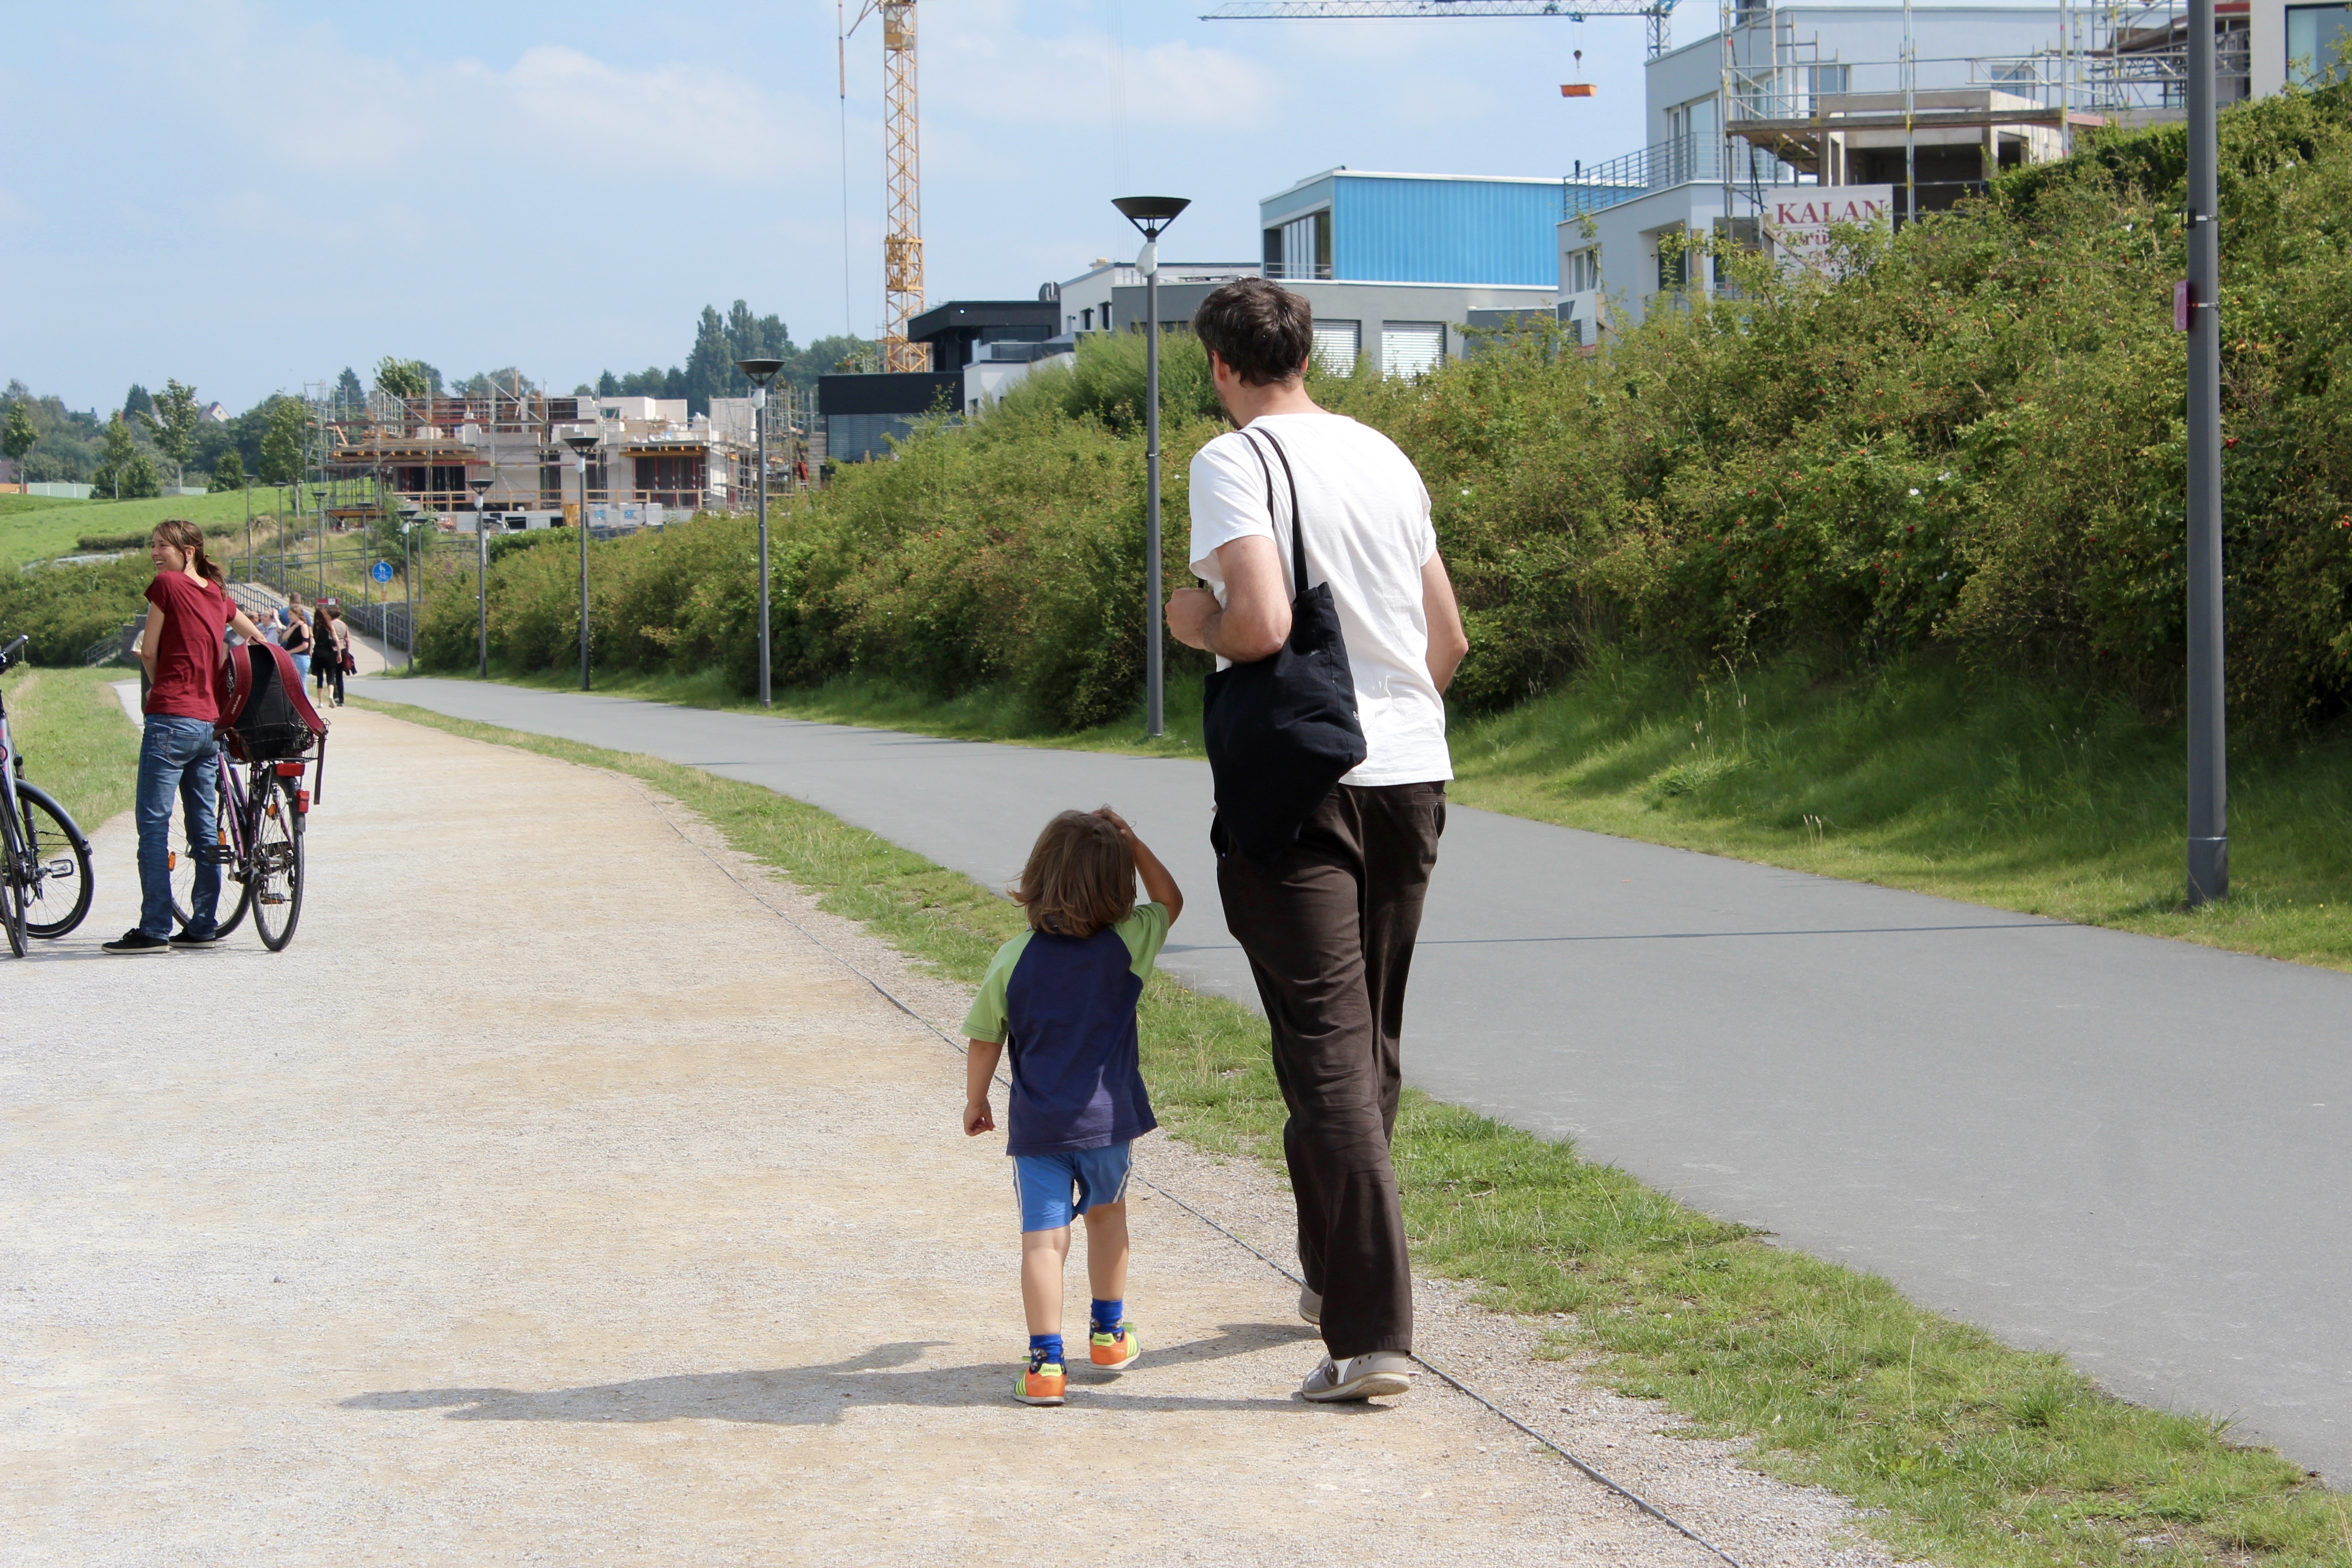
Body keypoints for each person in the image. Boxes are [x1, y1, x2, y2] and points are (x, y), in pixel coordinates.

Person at [1165, 278, 1470, 1405]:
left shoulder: (1231, 460)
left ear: (1218, 365)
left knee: (1323, 1048)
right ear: (1305, 353)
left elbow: (1258, 623)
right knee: (1363, 1041)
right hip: (1408, 773)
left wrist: (1181, 616)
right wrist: (1390, 719)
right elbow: (1447, 637)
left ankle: (1371, 1332)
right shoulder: (1385, 455)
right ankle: (1328, 1270)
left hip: (1302, 786)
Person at [962, 807, 1183, 1407]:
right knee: (1107, 1219)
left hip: (1039, 1128)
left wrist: (976, 1099)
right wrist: (1134, 843)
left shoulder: (1013, 957)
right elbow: (1171, 900)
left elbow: (986, 1038)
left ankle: (1045, 1368)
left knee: (1043, 1241)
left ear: (1038, 878)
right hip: (1109, 1123)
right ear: (1118, 887)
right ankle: (1110, 1336)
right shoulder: (1129, 943)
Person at [103, 520, 270, 954]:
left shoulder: (167, 584)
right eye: (153, 545)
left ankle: (155, 928)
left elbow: (150, 649)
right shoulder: (215, 592)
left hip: (171, 720)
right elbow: (254, 636)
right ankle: (202, 925)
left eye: (163, 546)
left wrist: (161, 689)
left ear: (188, 550)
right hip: (210, 725)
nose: (155, 553)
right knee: (203, 828)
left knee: (154, 826)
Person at [279, 593, 312, 683]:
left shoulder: (303, 625)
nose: (289, 617)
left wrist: (290, 652)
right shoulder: (294, 623)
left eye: (291, 615)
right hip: (291, 653)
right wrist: (292, 627)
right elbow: (284, 637)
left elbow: (306, 644)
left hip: (299, 655)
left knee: (300, 683)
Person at [324, 606, 351, 706]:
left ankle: (334, 695)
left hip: (333, 650)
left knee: (331, 674)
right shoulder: (344, 625)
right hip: (343, 649)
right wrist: (347, 652)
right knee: (340, 676)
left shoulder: (330, 625)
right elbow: (347, 639)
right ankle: (342, 699)